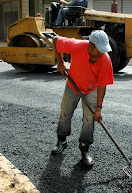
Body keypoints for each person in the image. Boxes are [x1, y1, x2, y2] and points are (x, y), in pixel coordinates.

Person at [51, 30, 114, 168]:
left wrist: (98, 108)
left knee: (89, 119)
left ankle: (84, 149)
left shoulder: (105, 59)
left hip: (91, 89)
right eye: (99, 49)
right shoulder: (77, 46)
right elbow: (55, 40)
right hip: (73, 85)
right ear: (90, 46)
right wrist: (60, 62)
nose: (102, 53)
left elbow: (102, 85)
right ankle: (61, 140)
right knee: (65, 113)